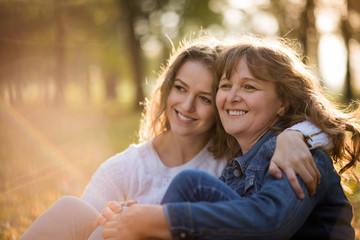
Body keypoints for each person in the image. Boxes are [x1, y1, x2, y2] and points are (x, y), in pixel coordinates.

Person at [19, 36, 331, 240]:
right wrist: (120, 217)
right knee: (73, 210)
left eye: (205, 97)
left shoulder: (241, 159)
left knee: (189, 184)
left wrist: (297, 136)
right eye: (180, 88)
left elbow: (268, 219)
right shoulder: (125, 168)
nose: (187, 106)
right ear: (166, 88)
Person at [100, 36, 359, 240]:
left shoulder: (299, 156)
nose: (232, 96)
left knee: (192, 184)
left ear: (283, 102)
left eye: (249, 86)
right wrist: (136, 215)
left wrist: (160, 219)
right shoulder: (236, 165)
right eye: (225, 86)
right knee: (189, 187)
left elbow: (270, 223)